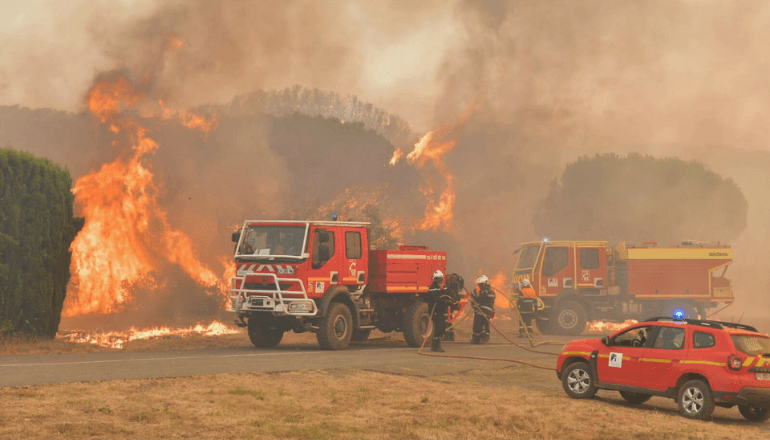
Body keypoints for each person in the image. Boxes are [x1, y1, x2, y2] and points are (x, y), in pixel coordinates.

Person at [426, 270, 456, 352]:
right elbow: (439, 298)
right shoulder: (433, 288)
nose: (441, 281)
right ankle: (435, 346)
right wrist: (446, 301)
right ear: (435, 280)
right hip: (435, 311)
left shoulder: (440, 288)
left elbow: (446, 295)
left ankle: (437, 344)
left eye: (441, 280)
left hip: (440, 310)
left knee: (442, 327)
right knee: (439, 326)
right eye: (439, 280)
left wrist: (453, 303)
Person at [471, 275, 496, 344]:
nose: (480, 286)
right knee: (484, 325)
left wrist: (474, 300)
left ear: (485, 283)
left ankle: (479, 339)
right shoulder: (491, 291)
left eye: (481, 285)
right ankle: (482, 338)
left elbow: (481, 299)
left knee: (479, 324)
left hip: (483, 310)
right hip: (485, 311)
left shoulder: (485, 291)